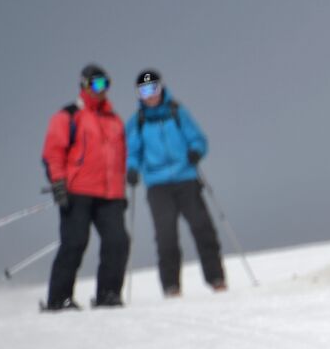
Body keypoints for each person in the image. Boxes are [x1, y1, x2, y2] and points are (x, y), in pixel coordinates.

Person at [125, 69, 225, 297]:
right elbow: (132, 151)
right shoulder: (138, 122)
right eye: (144, 90)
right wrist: (131, 169)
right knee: (166, 236)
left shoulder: (176, 111)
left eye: (154, 88)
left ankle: (216, 279)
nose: (150, 95)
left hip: (186, 178)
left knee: (203, 228)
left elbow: (197, 138)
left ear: (162, 88)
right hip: (157, 184)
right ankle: (171, 287)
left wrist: (196, 151)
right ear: (139, 94)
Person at [41, 63, 129, 310]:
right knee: (75, 242)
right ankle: (59, 298)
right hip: (77, 191)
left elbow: (120, 158)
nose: (101, 90)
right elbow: (53, 152)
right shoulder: (68, 115)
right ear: (84, 85)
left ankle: (108, 294)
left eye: (105, 84)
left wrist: (121, 191)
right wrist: (58, 182)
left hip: (110, 194)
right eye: (96, 84)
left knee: (118, 241)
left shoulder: (114, 120)